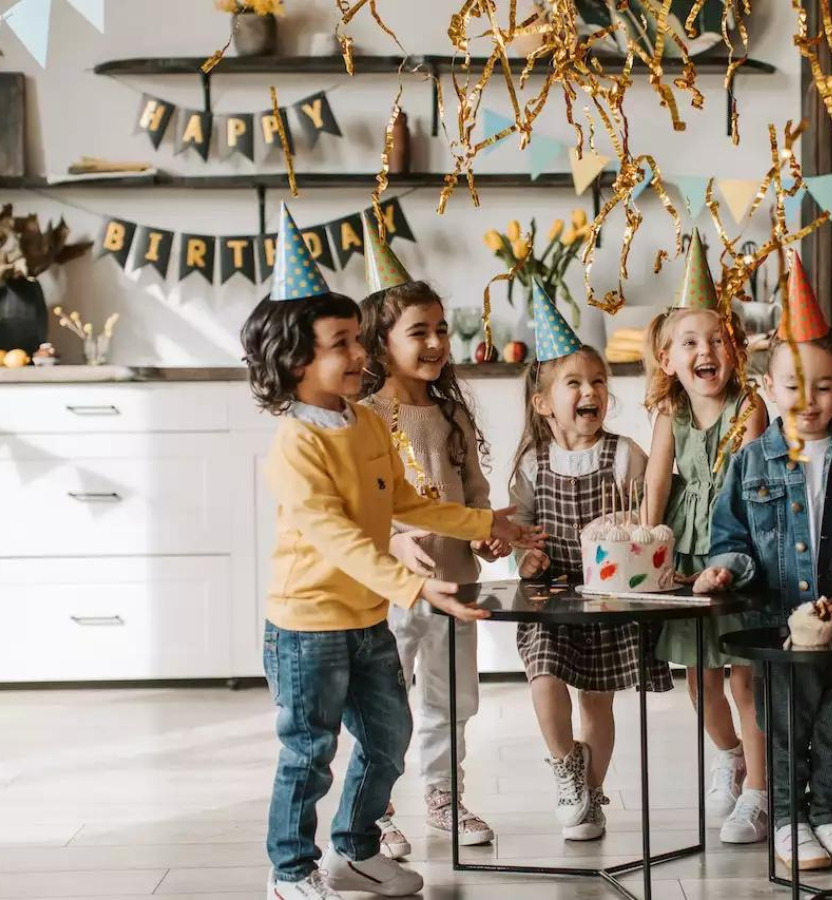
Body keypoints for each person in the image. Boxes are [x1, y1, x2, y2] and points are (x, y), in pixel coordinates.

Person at [245, 203, 541, 900]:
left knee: (389, 735)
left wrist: (480, 523)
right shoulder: (298, 443)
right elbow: (336, 534)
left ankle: (354, 850)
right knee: (309, 752)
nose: (359, 355)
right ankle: (290, 870)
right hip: (308, 626)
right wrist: (415, 588)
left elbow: (403, 499)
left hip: (363, 619)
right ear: (295, 360)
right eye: (343, 343)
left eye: (358, 340)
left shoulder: (359, 422)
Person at [693, 251, 832, 873]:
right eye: (793, 386)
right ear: (769, 388)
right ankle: (786, 820)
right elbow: (731, 534)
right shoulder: (751, 461)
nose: (809, 399)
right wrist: (726, 568)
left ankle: (827, 814)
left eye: (824, 385)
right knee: (781, 726)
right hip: (778, 628)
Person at [357, 230, 505, 852]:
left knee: (454, 696)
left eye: (441, 328)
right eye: (419, 331)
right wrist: (392, 540)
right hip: (389, 587)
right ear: (380, 343)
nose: (438, 342)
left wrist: (491, 533)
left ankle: (445, 796)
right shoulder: (361, 418)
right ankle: (376, 809)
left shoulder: (453, 416)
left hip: (456, 580)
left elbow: (473, 494)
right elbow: (360, 504)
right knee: (384, 701)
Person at [510, 281, 673, 842]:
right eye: (574, 383)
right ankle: (565, 769)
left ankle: (592, 794)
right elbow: (520, 531)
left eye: (598, 382)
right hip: (553, 596)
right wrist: (525, 557)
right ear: (543, 402)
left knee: (597, 701)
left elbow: (647, 516)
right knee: (543, 675)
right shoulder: (533, 463)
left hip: (609, 595)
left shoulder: (625, 454)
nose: (590, 391)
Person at [643, 228, 770, 844]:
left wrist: (734, 555)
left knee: (744, 674)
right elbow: (656, 484)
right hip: (684, 556)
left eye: (717, 340)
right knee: (697, 676)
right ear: (668, 359)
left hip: (738, 553)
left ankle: (758, 793)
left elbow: (747, 488)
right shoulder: (670, 413)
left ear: (735, 351)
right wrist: (646, 545)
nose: (706, 350)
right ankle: (730, 757)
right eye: (690, 341)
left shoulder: (751, 409)